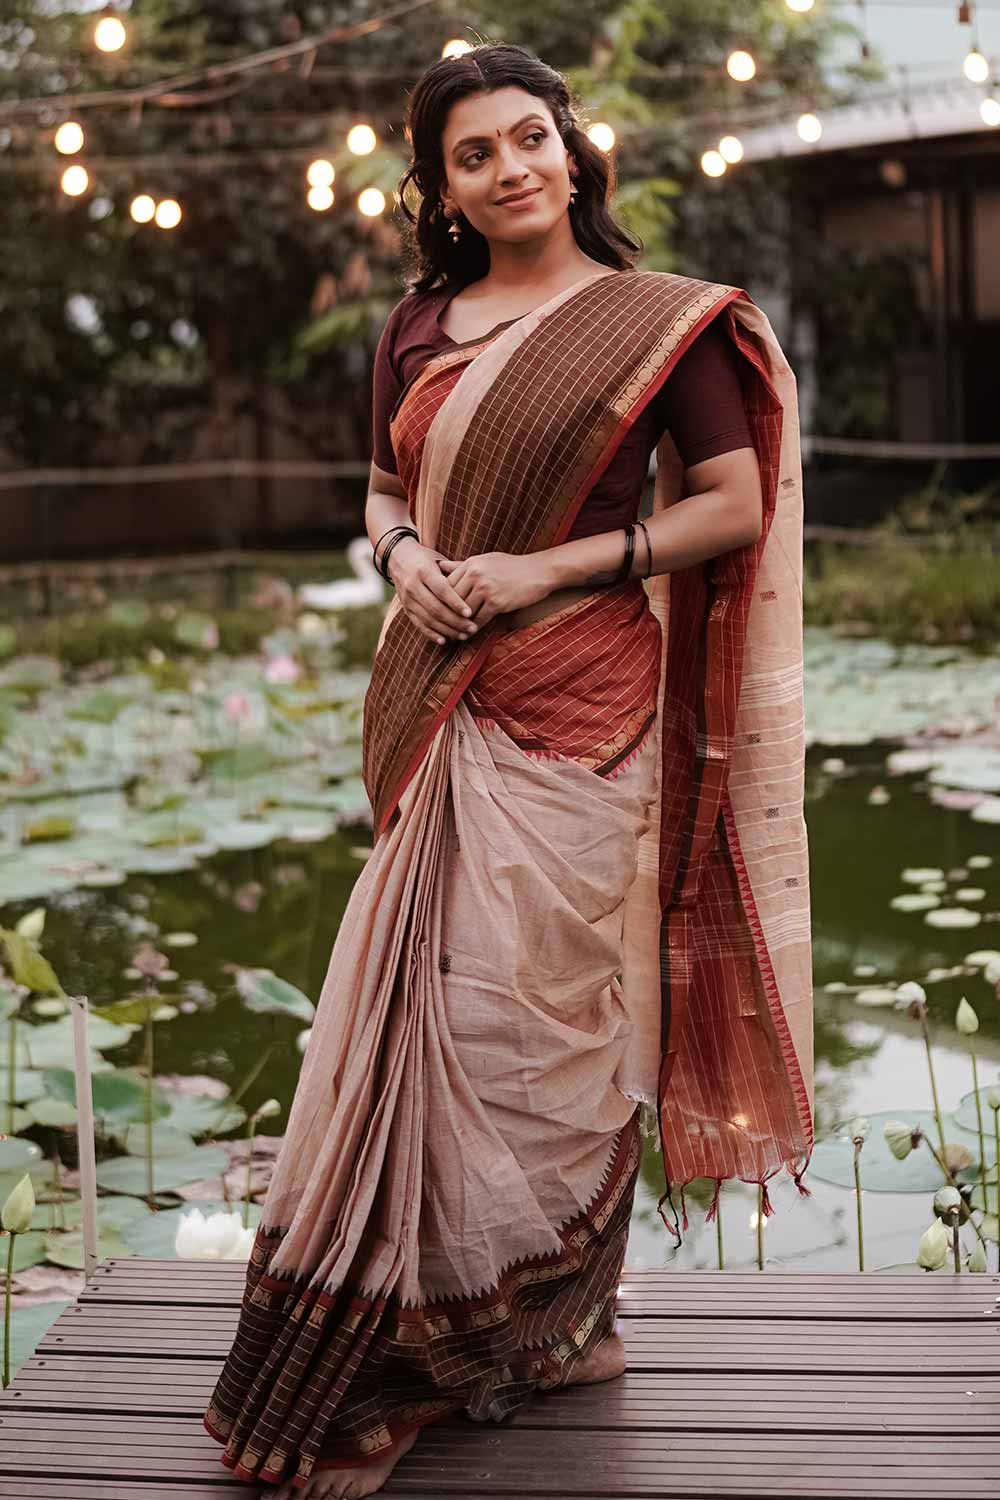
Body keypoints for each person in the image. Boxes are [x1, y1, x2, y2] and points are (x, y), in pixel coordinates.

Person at [202, 40, 815, 1500]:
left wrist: (556, 562)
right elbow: (383, 491)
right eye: (473, 156)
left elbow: (733, 503)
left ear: (572, 150)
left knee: (539, 1037)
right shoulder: (420, 322)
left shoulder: (659, 326)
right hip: (442, 690)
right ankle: (423, 1342)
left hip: (584, 704)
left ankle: (542, 1324)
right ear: (442, 190)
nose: (509, 169)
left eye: (528, 138)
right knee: (423, 1026)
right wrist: (408, 563)